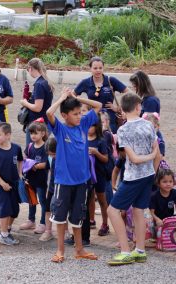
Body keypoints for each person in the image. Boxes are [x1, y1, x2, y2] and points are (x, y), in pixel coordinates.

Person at [46, 87, 102, 263]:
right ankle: (60, 250)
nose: (79, 116)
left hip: (82, 181)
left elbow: (99, 105)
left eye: (80, 113)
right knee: (61, 218)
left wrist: (78, 98)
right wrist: (62, 98)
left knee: (78, 217)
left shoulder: (83, 125)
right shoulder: (61, 130)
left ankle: (79, 249)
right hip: (63, 181)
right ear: (65, 115)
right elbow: (48, 112)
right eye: (75, 113)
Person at [107, 93, 158, 266]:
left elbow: (134, 159)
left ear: (122, 109)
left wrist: (148, 157)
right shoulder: (149, 125)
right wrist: (151, 161)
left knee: (112, 210)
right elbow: (156, 153)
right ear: (138, 107)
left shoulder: (123, 130)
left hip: (133, 176)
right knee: (138, 210)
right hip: (148, 174)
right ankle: (140, 250)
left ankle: (125, 251)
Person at [0, 123, 23, 245]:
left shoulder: (16, 148)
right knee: (5, 207)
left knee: (15, 210)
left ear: (8, 135)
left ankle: (7, 229)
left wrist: (19, 174)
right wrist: (2, 183)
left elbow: (20, 160)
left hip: (13, 183)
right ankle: (3, 235)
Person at [73, 56, 128, 133]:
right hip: (93, 117)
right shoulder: (85, 82)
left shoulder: (110, 80)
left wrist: (118, 108)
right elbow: (72, 96)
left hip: (109, 119)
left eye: (100, 68)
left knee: (109, 141)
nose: (98, 70)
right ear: (90, 69)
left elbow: (128, 93)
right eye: (95, 68)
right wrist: (82, 108)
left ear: (103, 68)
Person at [19, 121, 49, 234]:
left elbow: (47, 163)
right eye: (31, 133)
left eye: (35, 133)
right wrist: (25, 161)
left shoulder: (46, 146)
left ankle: (43, 222)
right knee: (32, 200)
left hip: (41, 179)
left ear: (42, 133)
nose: (33, 136)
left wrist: (35, 166)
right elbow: (25, 156)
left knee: (42, 200)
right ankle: (31, 220)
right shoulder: (30, 146)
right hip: (30, 178)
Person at [20, 58, 54, 145]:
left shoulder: (39, 84)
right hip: (44, 122)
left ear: (30, 68)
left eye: (28, 70)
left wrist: (25, 103)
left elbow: (37, 108)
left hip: (36, 124)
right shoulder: (45, 81)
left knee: (32, 150)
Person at [40, 135, 56, 242]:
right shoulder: (50, 157)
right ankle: (48, 231)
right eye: (50, 155)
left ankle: (66, 232)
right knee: (47, 208)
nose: (52, 156)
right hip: (51, 186)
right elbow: (49, 170)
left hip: (62, 186)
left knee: (63, 210)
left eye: (53, 154)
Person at [150, 166, 176, 232]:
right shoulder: (154, 196)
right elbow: (152, 213)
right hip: (158, 221)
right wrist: (157, 219)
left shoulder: (174, 192)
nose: (168, 184)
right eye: (165, 182)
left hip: (170, 219)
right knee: (159, 234)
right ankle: (152, 228)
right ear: (158, 183)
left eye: (170, 181)